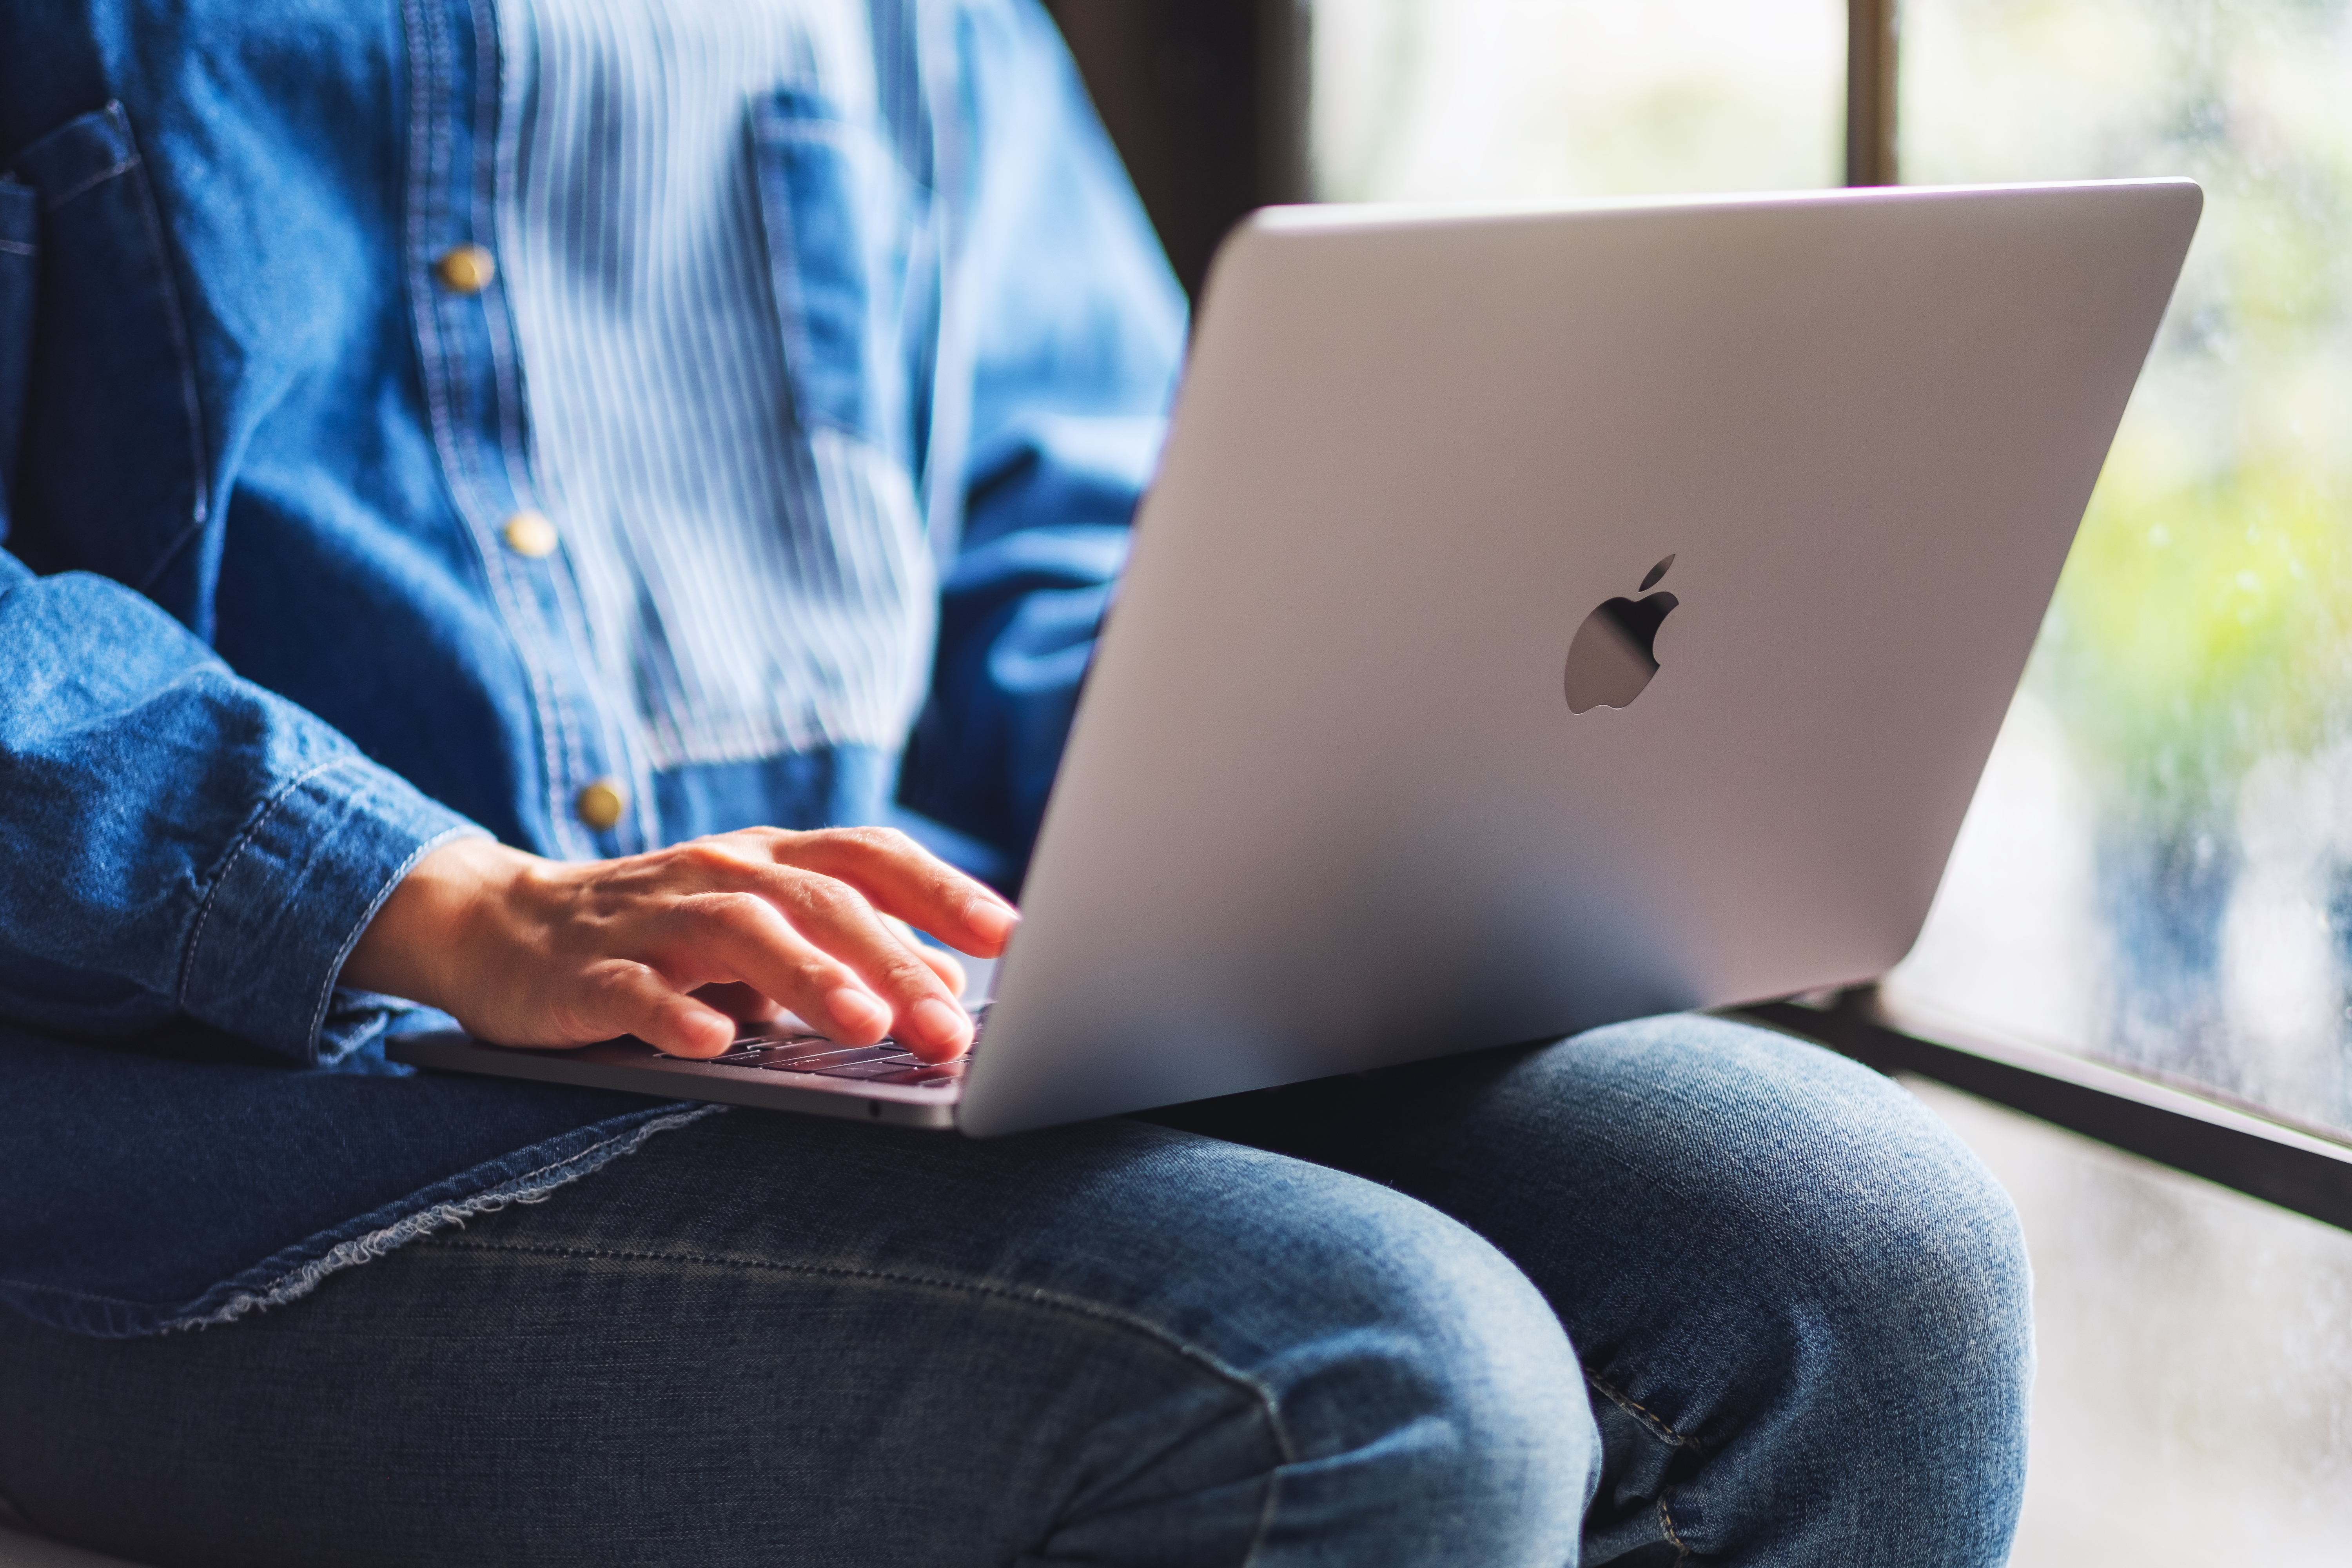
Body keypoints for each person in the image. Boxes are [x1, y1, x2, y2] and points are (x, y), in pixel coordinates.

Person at [0, 2, 2033, 1563]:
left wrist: (1322, 788)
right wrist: (429, 895)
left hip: (828, 1006)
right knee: (1353, 1386)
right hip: (213, 1089)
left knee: (1861, 1259)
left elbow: (1046, 529)